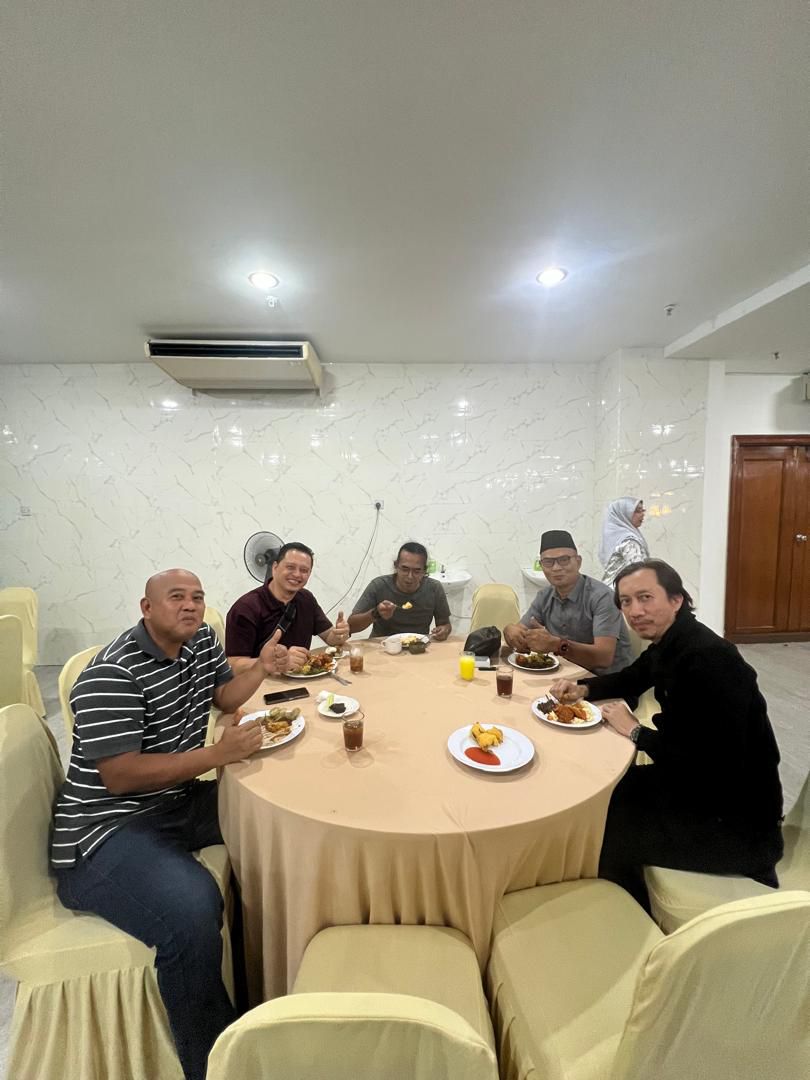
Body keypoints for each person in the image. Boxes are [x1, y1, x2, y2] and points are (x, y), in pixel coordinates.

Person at [51, 569, 291, 1080]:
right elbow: (119, 776)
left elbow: (225, 698)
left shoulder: (200, 640)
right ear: (146, 608)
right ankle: (214, 1064)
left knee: (274, 814)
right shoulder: (111, 674)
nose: (190, 606)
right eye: (176, 597)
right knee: (194, 910)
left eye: (197, 597)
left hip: (174, 802)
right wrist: (216, 754)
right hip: (105, 830)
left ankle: (276, 985)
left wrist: (261, 669)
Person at [549, 558, 784, 912]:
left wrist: (636, 732)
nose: (635, 611)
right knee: (599, 794)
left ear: (676, 599)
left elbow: (715, 763)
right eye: (626, 601)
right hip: (695, 787)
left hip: (735, 822)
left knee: (606, 826)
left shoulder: (710, 659)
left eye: (645, 597)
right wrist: (583, 688)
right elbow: (633, 677)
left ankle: (630, 916)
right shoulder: (672, 642)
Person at [504, 529, 632, 675]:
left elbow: (604, 658)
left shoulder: (602, 597)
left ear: (578, 562)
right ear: (541, 565)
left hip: (609, 681)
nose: (556, 568)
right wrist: (509, 629)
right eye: (548, 562)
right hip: (568, 674)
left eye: (564, 560)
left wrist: (557, 645)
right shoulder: (544, 596)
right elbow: (519, 629)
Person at [225, 541, 350, 672]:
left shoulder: (306, 599)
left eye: (304, 570)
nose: (297, 574)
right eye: (290, 567)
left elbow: (329, 637)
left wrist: (339, 634)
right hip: (261, 683)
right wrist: (278, 662)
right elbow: (234, 665)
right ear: (275, 567)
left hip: (302, 680)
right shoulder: (245, 608)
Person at [348, 541, 452, 640]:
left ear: (424, 571)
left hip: (417, 646)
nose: (410, 576)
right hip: (382, 646)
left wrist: (443, 631)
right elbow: (351, 626)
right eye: (405, 569)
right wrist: (376, 613)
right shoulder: (379, 586)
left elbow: (445, 624)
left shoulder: (434, 588)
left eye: (417, 571)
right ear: (396, 566)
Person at [599, 497, 649, 585]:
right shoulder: (629, 541)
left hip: (609, 588)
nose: (642, 514)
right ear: (623, 513)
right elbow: (638, 572)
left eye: (643, 510)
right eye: (637, 511)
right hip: (622, 590)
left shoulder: (615, 536)